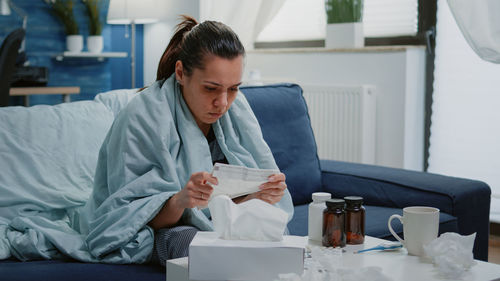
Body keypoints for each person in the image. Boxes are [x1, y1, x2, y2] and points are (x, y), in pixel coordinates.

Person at [79, 15, 294, 266]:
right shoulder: (142, 116)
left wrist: (259, 196)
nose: (223, 103)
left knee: (272, 235)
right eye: (211, 88)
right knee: (191, 244)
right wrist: (181, 200)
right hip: (164, 228)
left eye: (233, 88)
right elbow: (127, 218)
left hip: (221, 224)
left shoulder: (238, 112)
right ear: (181, 73)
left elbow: (227, 206)